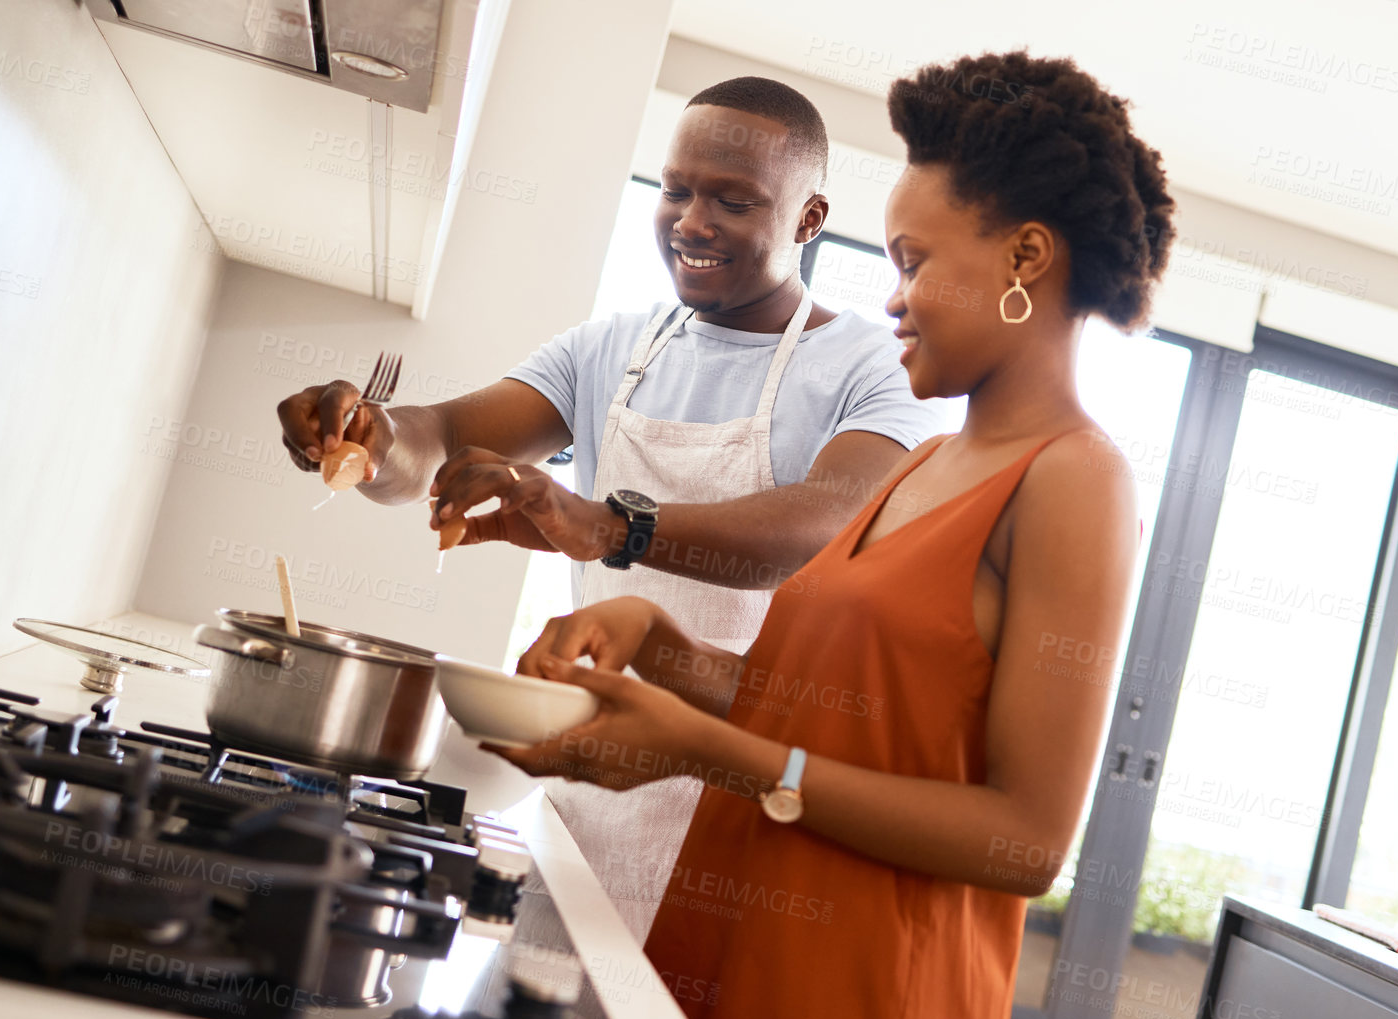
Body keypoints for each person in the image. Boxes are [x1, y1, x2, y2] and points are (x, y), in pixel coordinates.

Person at [494, 51, 1174, 1019]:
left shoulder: (1075, 478)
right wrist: (667, 655)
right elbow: (842, 718)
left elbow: (1027, 842)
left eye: (913, 260)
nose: (892, 298)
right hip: (727, 970)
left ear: (1025, 257)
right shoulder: (921, 466)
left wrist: (713, 753)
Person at [275, 77, 941, 941]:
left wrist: (610, 525)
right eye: (675, 190)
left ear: (810, 218)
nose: (691, 222)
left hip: (750, 790)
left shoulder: (875, 367)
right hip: (590, 784)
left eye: (734, 201)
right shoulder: (610, 349)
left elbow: (825, 521)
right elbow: (435, 439)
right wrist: (364, 435)